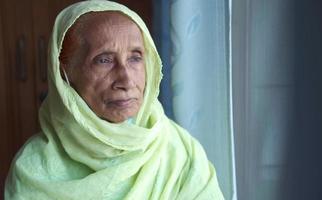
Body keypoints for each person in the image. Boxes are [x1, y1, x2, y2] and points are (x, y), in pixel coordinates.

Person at [4, 0, 224, 199]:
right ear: (64, 75)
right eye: (104, 60)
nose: (126, 80)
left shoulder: (180, 152)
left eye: (135, 58)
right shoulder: (34, 169)